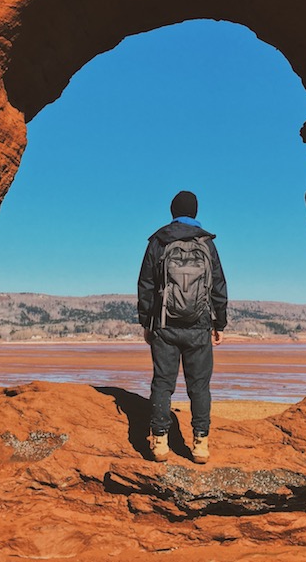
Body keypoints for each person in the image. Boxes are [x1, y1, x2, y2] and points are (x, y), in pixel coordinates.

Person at [137, 190, 227, 464]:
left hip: (165, 325)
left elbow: (146, 286)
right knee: (199, 387)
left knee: (163, 384)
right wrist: (219, 323)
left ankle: (160, 442)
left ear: (173, 211)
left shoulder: (159, 241)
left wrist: (146, 322)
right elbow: (219, 286)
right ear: (195, 212)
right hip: (199, 325)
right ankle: (200, 444)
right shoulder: (206, 243)